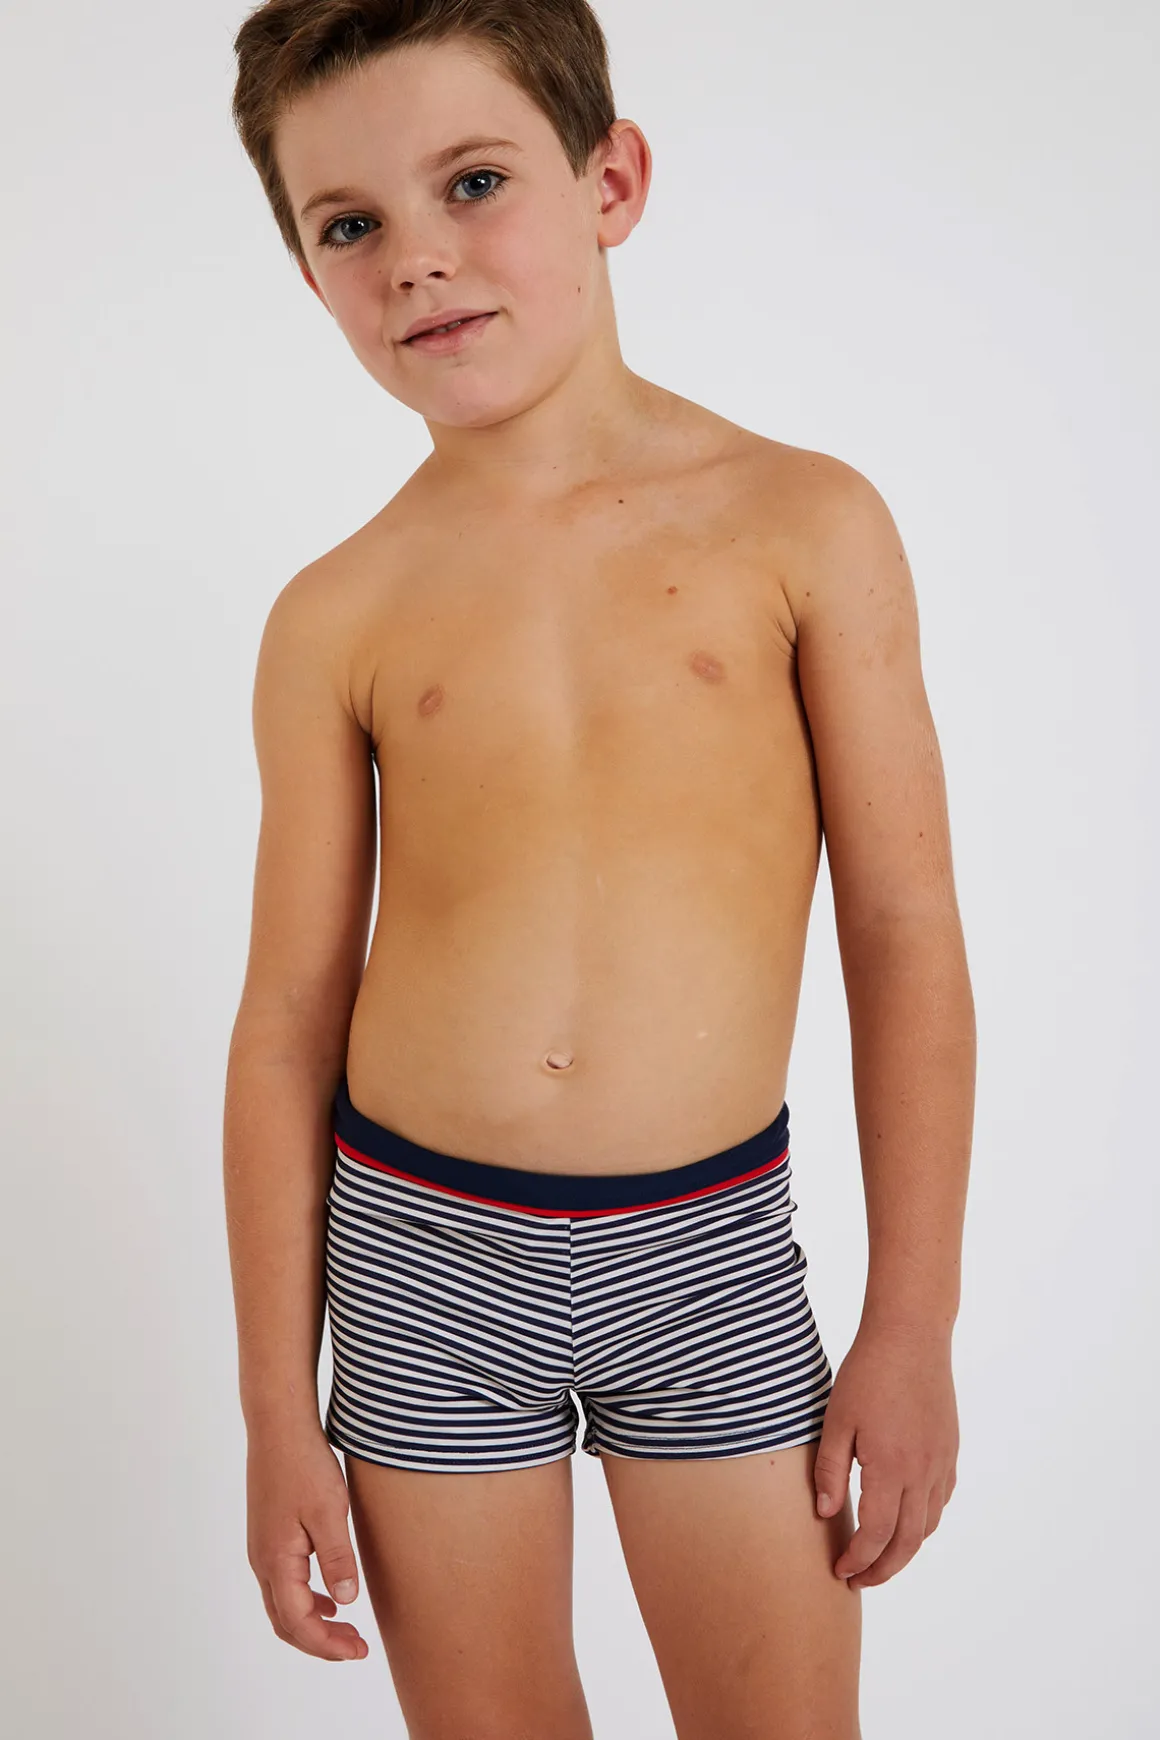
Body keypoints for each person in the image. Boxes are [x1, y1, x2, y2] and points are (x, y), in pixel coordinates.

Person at [222, 2, 976, 1735]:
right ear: (312, 276)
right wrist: (274, 1406)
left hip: (709, 1254)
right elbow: (283, 1024)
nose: (418, 258)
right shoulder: (335, 614)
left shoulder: (803, 524)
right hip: (423, 1267)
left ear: (611, 180)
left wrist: (913, 1324)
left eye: (474, 183)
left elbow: (903, 928)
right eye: (350, 224)